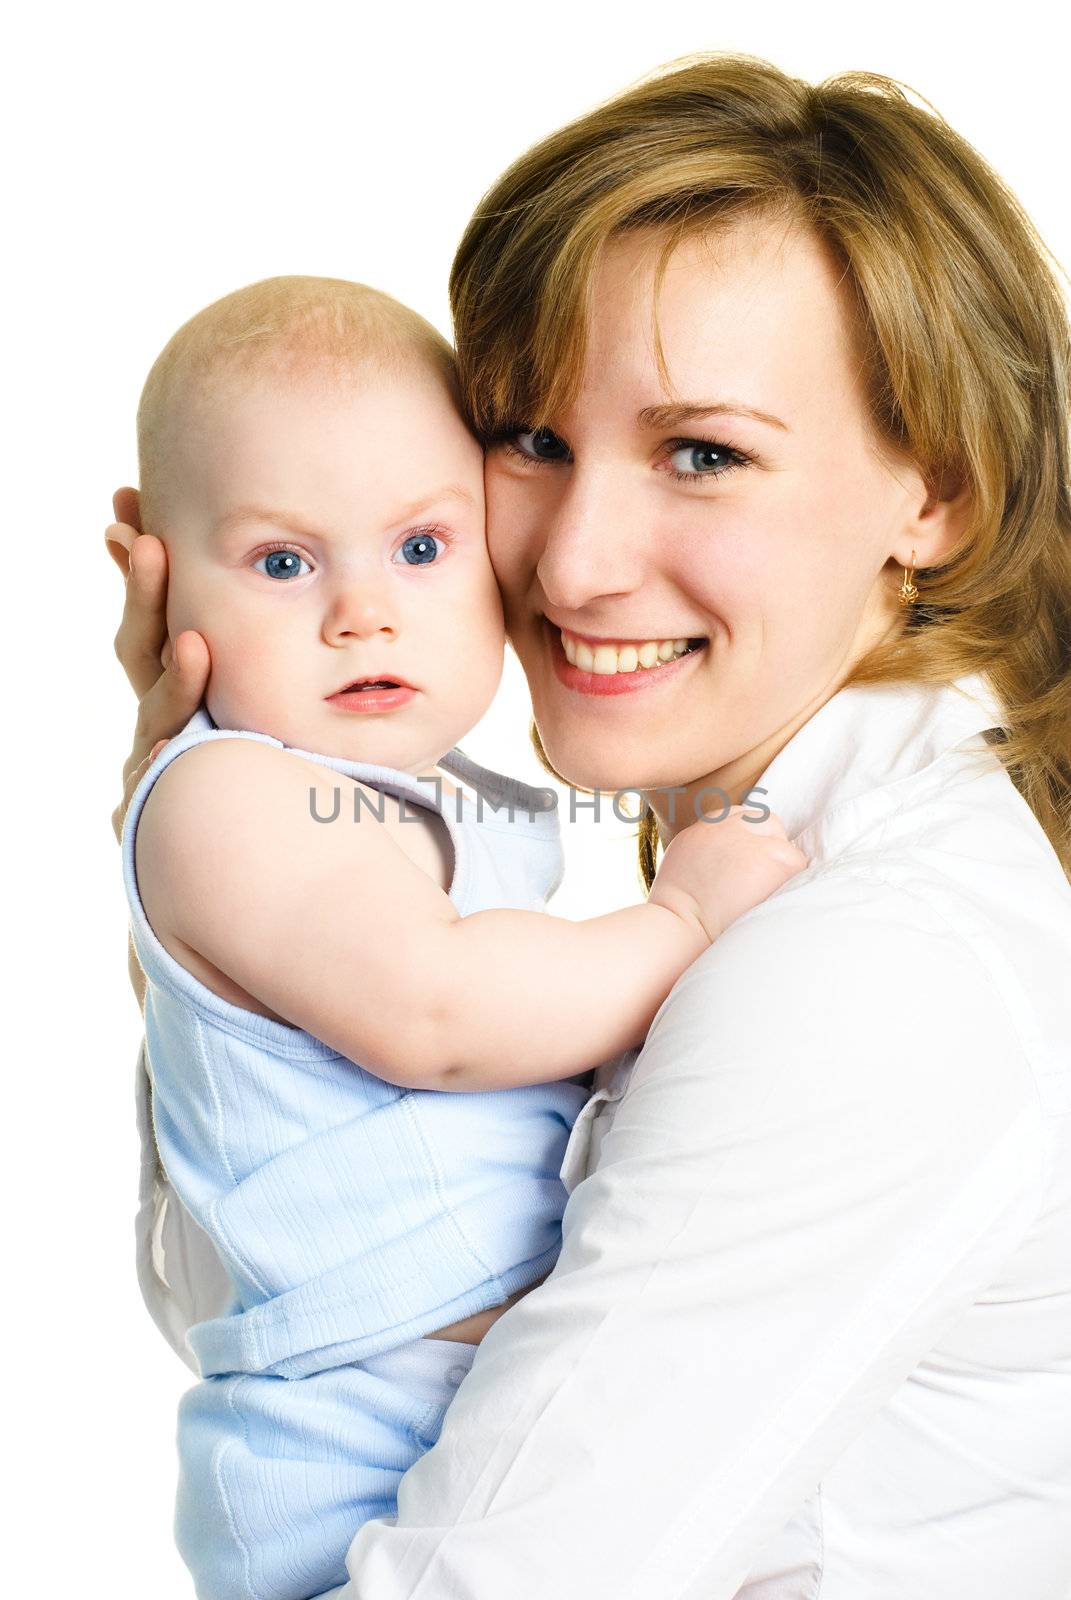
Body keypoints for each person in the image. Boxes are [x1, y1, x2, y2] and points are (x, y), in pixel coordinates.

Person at [109, 52, 1071, 1600]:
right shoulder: (702, 857)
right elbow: (288, 1282)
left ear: (935, 496)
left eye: (705, 453)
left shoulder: (861, 969)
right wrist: (212, 845)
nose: (572, 566)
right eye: (529, 439)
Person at [115, 273, 805, 1600]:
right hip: (347, 1452)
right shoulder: (223, 798)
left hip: (458, 1403)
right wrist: (685, 917)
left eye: (422, 548)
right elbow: (437, 1015)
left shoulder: (423, 793)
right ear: (152, 565)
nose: (361, 613)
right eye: (281, 562)